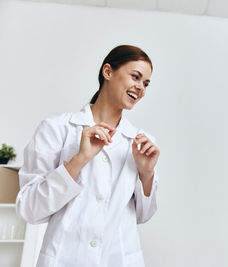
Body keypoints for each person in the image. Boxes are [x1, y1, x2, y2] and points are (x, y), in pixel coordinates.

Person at [16, 45, 160, 267]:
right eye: (135, 76)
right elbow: (30, 210)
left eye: (146, 83)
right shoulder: (55, 129)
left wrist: (146, 173)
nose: (140, 88)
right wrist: (79, 159)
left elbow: (143, 215)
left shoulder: (141, 143)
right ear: (108, 72)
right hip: (63, 259)